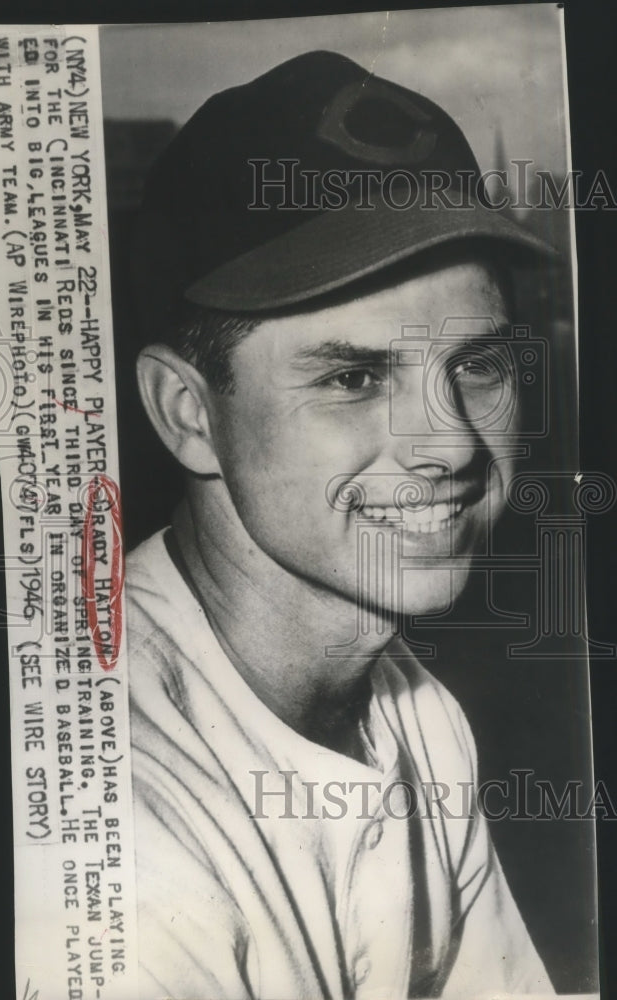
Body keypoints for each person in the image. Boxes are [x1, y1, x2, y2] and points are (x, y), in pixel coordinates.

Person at [126, 50, 554, 998]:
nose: (449, 446)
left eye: (476, 364)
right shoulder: (125, 827)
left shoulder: (415, 710)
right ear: (189, 413)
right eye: (352, 379)